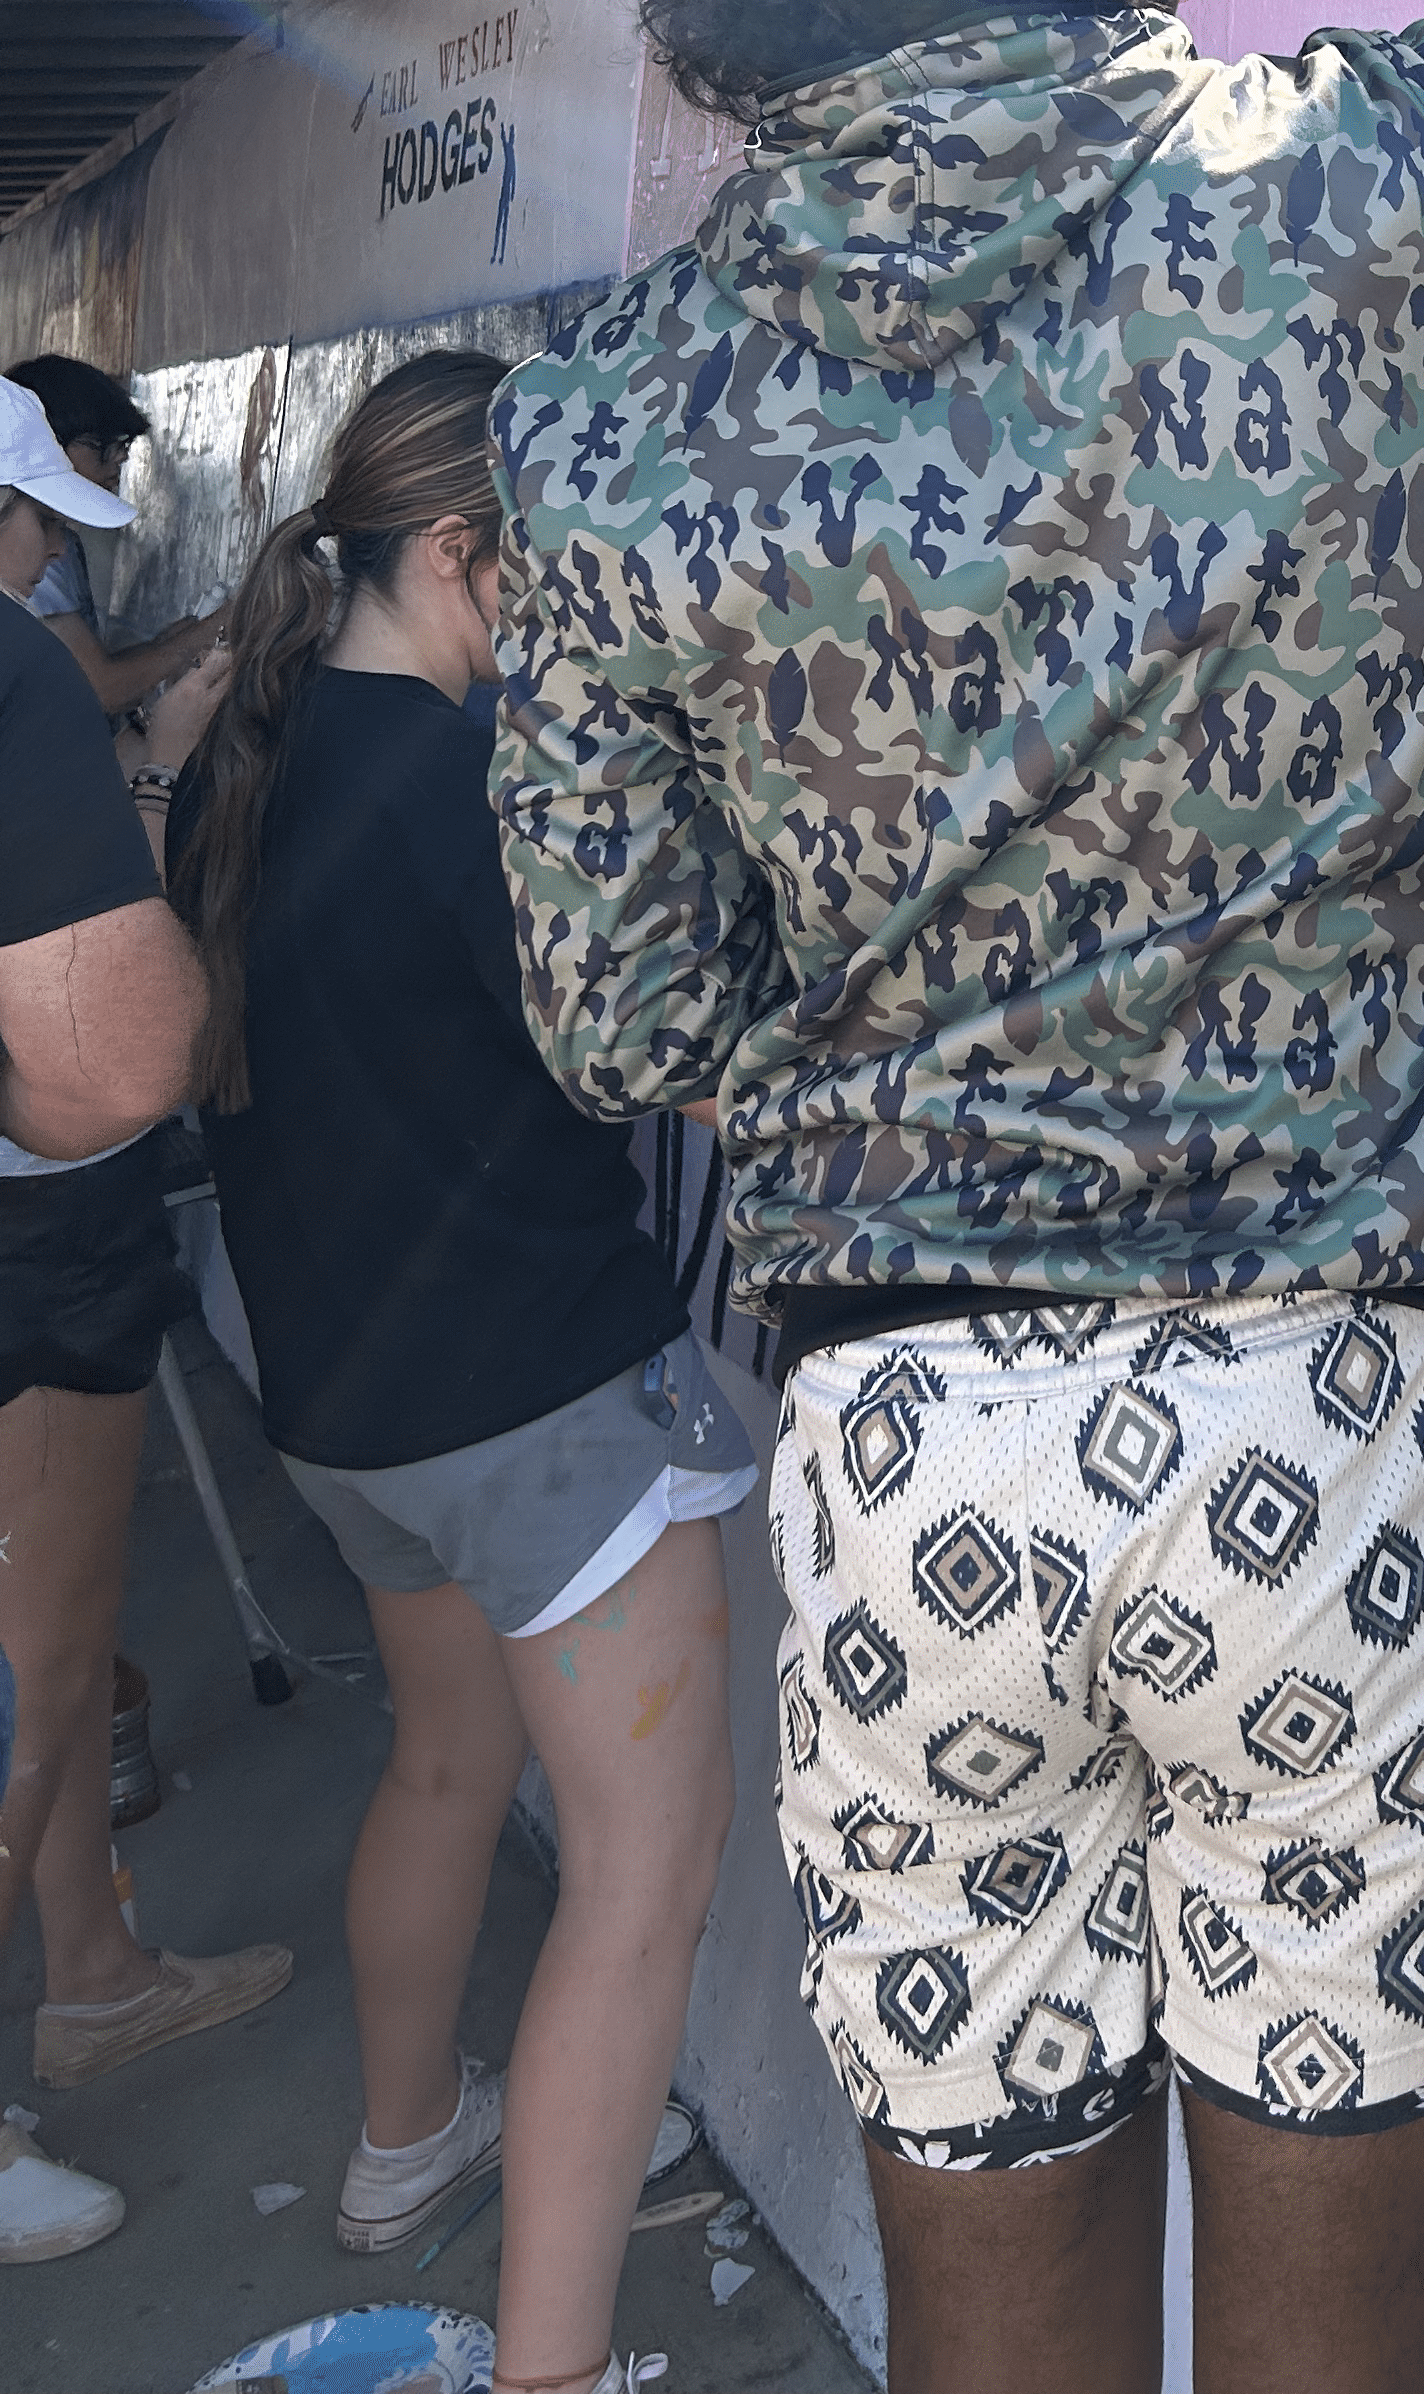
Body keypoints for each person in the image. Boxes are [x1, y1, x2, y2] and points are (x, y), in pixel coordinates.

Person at [486, 0, 1424, 2394]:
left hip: (918, 1447)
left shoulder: (610, 419)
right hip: (1355, 1411)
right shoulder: (1359, 192)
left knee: (994, 2299)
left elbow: (622, 1023)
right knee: (1343, 2341)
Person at [169, 351, 753, 2394]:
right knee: (641, 1881)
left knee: (442, 1760)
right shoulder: (484, 793)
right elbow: (661, 1051)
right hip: (540, 1418)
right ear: (459, 553)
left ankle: (403, 2152)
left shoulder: (248, 757)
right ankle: (552, 2370)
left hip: (342, 1414)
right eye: (561, 563)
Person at [0, 374, 288, 2265]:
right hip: (35, 1245)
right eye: (26, 513)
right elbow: (108, 1061)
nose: (38, 547)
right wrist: (166, 788)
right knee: (34, 1664)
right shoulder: (12, 673)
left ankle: (91, 1961)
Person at [5, 355, 225, 723]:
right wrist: (219, 626)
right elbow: (97, 690)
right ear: (50, 440)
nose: (120, 458)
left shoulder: (56, 541)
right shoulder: (26, 546)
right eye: (101, 441)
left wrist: (168, 647)